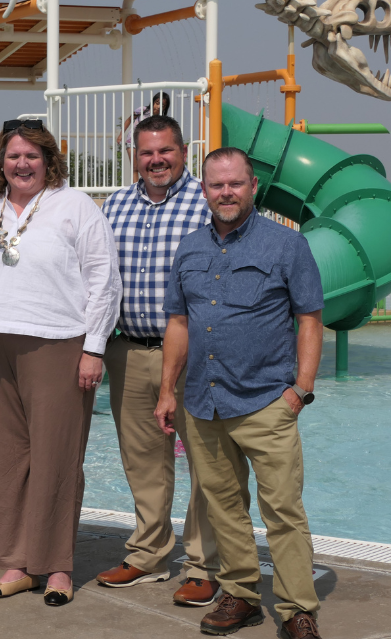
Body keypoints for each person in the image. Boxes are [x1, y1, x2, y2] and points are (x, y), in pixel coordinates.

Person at [156, 147, 324, 639]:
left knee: (283, 512)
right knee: (224, 507)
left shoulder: (288, 246)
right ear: (203, 189)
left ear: (253, 187)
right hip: (203, 403)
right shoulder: (189, 249)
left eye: (234, 184)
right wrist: (168, 390)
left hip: (267, 401)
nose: (225, 192)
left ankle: (297, 610)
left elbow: (310, 319)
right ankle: (241, 595)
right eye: (216, 185)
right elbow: (179, 322)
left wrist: (301, 391)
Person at [0, 119, 121, 607]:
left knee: (56, 460)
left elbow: (103, 278)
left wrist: (94, 347)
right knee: (6, 461)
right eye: (13, 156)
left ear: (49, 161)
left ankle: (57, 566)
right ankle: (15, 561)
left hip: (58, 343)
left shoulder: (76, 206)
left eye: (32, 155)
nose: (22, 163)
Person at [97, 115, 220, 606]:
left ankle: (204, 562)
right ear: (134, 156)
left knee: (207, 461)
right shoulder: (114, 206)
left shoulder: (206, 202)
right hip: (128, 349)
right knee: (143, 461)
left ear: (183, 152)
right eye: (146, 152)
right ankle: (148, 553)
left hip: (194, 352)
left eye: (165, 151)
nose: (156, 160)